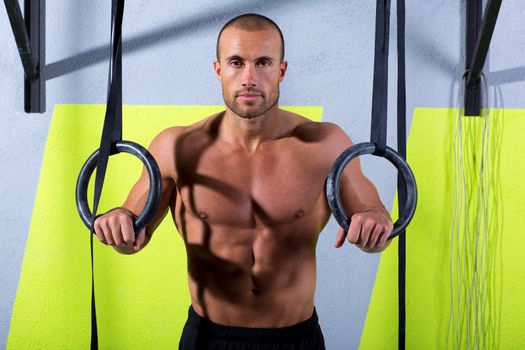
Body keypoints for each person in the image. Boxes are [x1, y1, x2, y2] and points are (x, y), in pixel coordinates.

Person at [93, 13, 394, 350]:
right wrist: (117, 223)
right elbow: (132, 235)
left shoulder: (325, 144)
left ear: (281, 70)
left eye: (263, 62)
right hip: (209, 338)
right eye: (236, 62)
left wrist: (375, 225)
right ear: (218, 69)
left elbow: (377, 222)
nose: (249, 77)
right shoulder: (175, 147)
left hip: (296, 339)